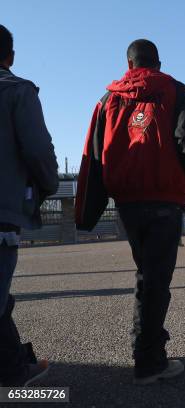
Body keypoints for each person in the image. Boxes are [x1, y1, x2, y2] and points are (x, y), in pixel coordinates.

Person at [75, 39, 185, 385]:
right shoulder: (176, 91)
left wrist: (89, 208)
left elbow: (94, 153)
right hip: (165, 198)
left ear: (129, 65)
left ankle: (146, 347)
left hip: (128, 201)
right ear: (158, 63)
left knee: (146, 275)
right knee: (156, 279)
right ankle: (149, 358)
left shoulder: (108, 100)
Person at [0, 24, 58, 386]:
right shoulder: (16, 91)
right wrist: (47, 185)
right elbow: (37, 151)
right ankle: (12, 382)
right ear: (11, 56)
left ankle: (13, 367)